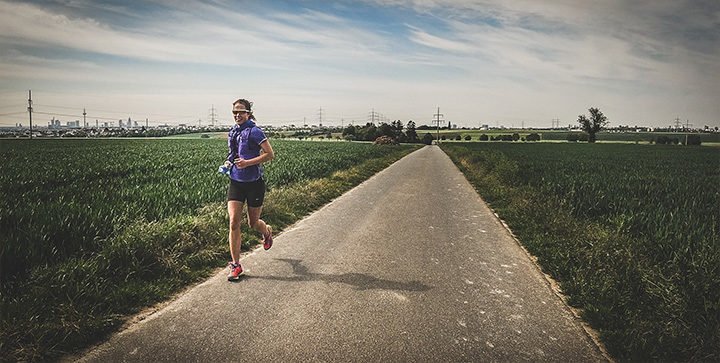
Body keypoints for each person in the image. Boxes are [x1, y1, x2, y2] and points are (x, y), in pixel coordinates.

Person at [224, 98, 275, 281]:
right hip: (236, 182)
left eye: (241, 112)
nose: (237, 115)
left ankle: (266, 231)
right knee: (233, 222)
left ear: (248, 113)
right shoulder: (233, 132)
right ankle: (236, 265)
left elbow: (270, 154)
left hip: (254, 183)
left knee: (253, 223)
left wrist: (247, 163)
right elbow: (234, 154)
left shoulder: (255, 131)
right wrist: (228, 162)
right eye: (234, 112)